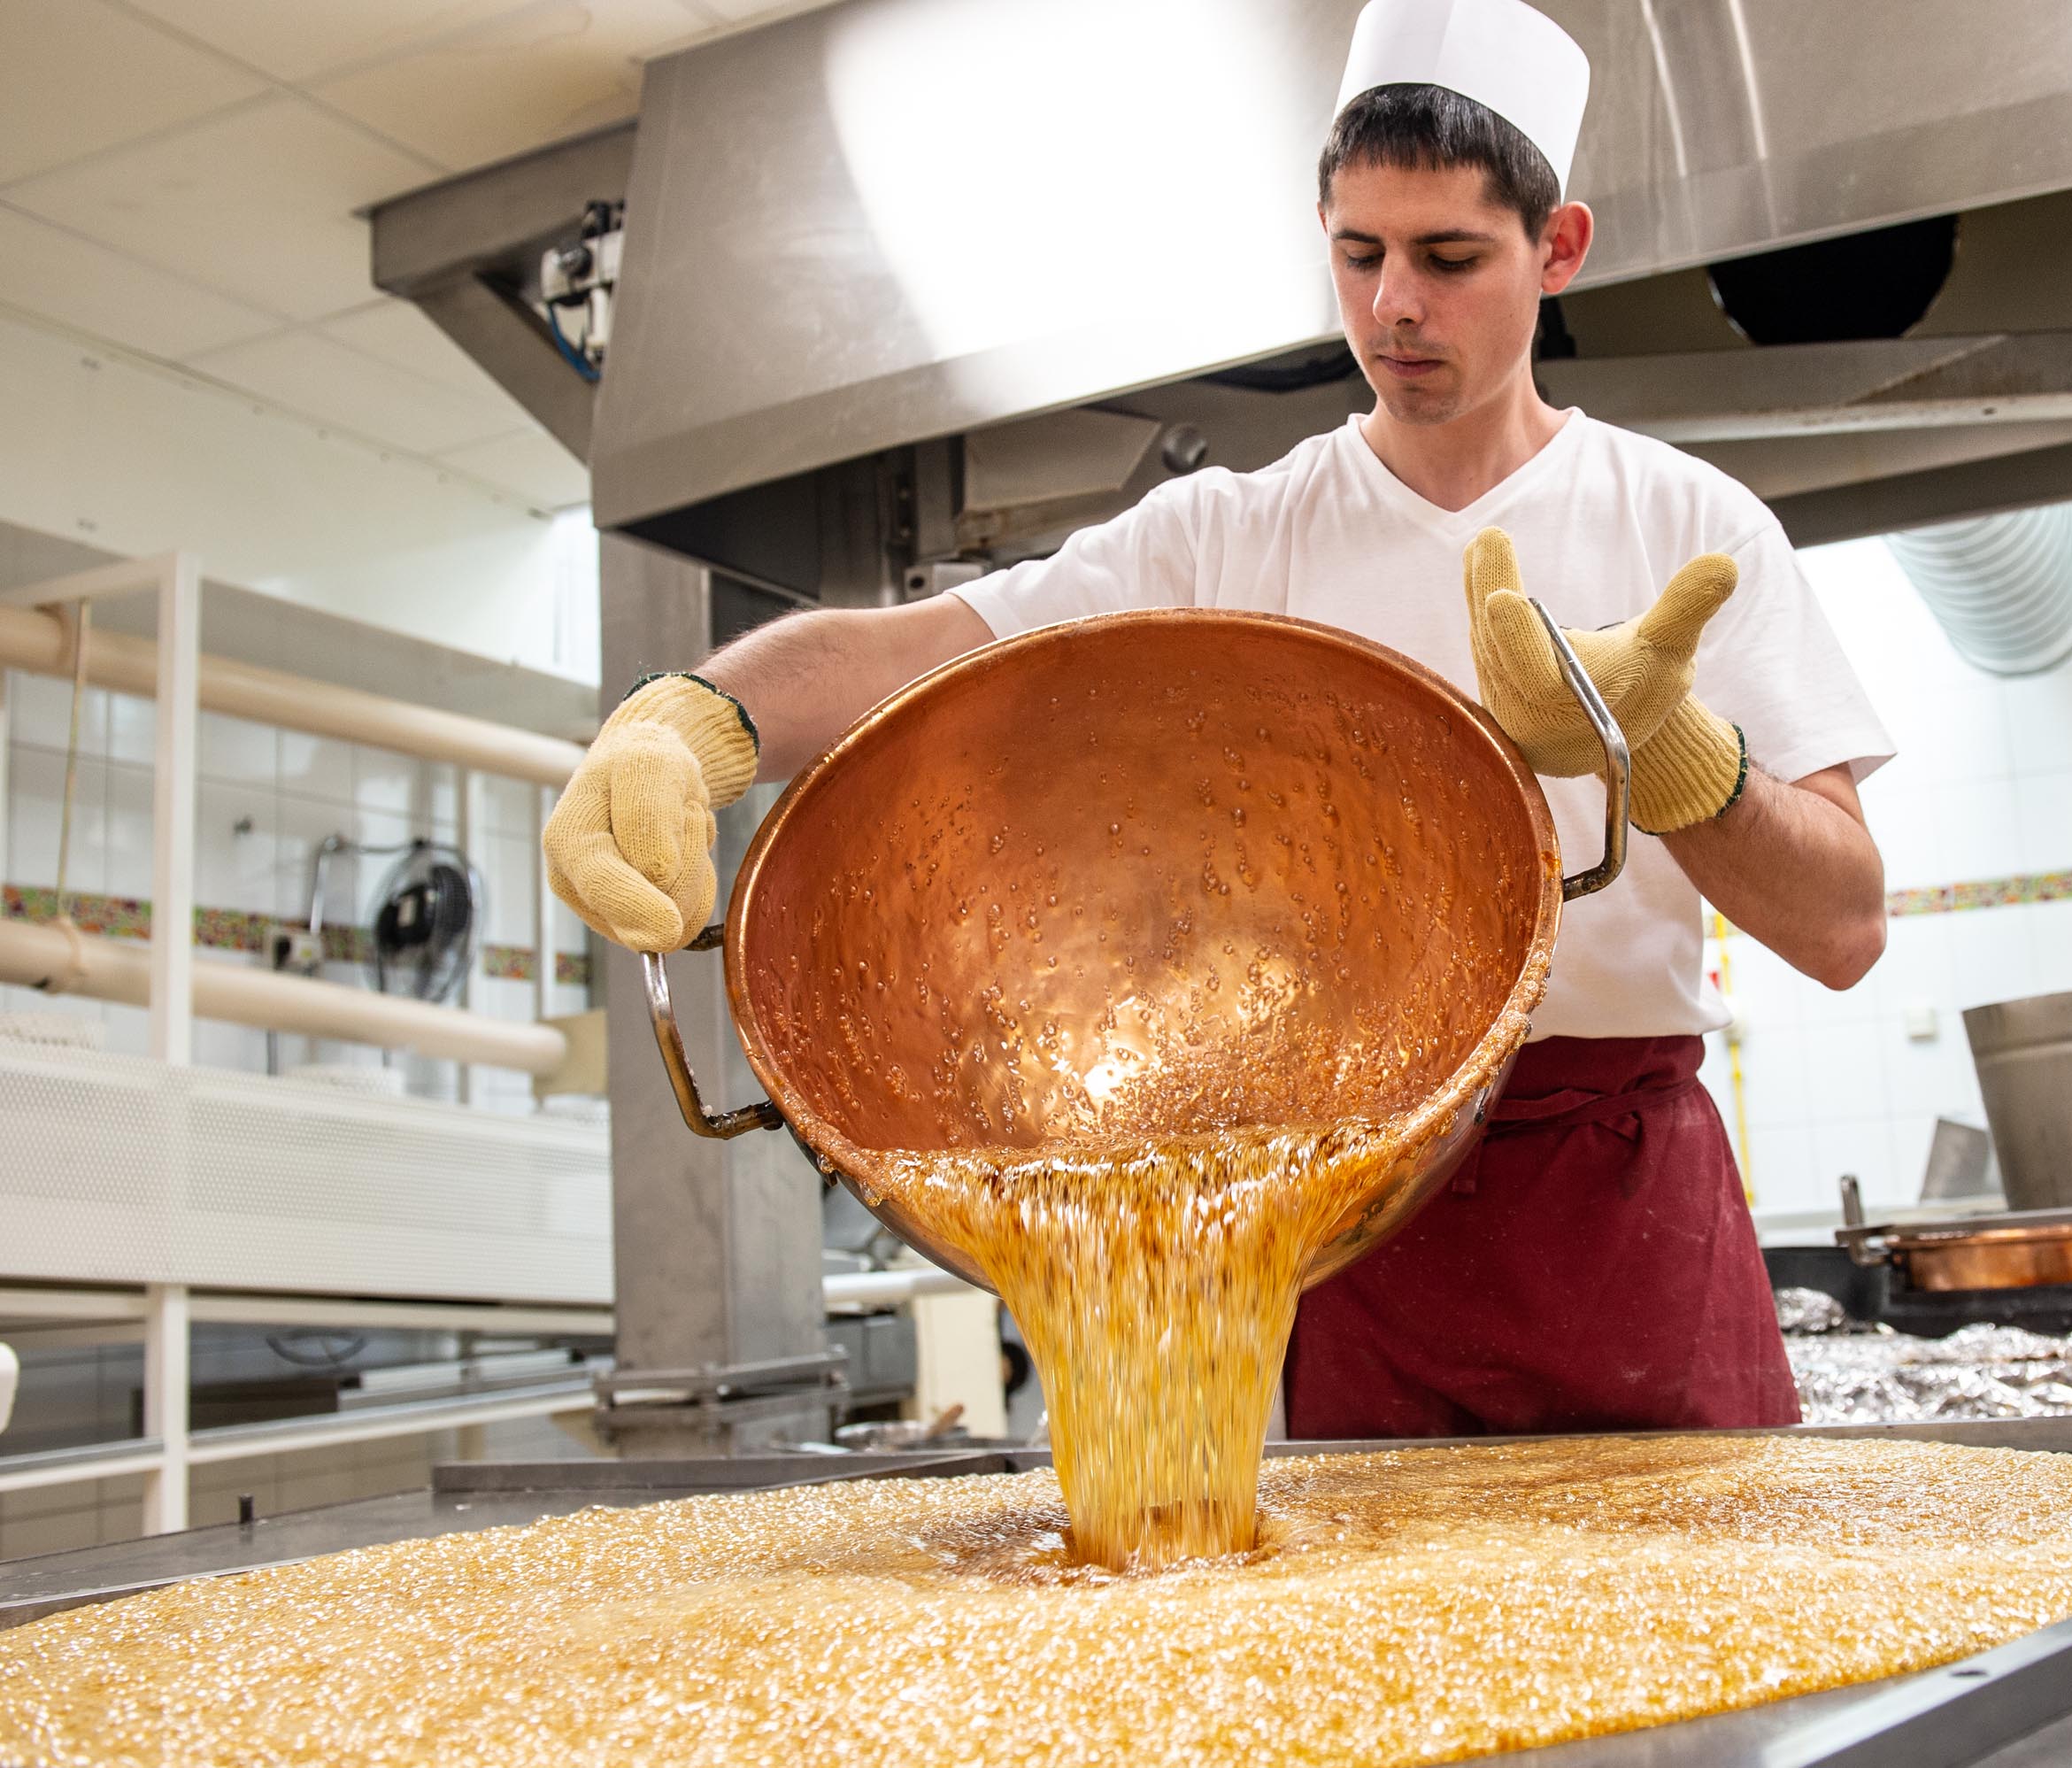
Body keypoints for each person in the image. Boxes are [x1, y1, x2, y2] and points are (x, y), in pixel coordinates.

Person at [544, 0, 1891, 1436]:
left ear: (1558, 249)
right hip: (1341, 1213)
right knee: (1369, 1652)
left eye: (1449, 259)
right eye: (1358, 253)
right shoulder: (1229, 541)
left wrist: (1679, 760)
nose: (1395, 309)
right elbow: (925, 653)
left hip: (1617, 1207)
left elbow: (1844, 929)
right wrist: (695, 717)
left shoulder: (1688, 526)